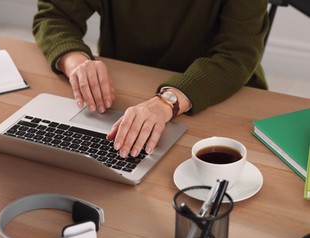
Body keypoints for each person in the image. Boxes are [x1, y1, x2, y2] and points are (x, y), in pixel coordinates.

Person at [32, 0, 269, 159]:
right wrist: (75, 61)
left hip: (221, 95)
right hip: (126, 92)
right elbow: (54, 14)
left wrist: (167, 102)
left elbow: (237, 54)